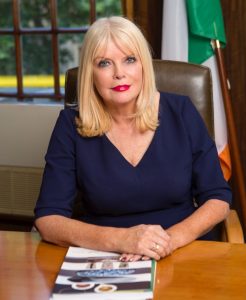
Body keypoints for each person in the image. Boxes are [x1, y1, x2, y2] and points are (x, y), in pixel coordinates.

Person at [34, 16, 232, 262]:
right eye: (104, 63)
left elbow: (218, 198)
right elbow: (48, 219)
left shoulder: (181, 111)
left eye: (129, 60)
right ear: (90, 73)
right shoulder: (69, 125)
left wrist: (164, 242)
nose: (119, 74)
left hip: (182, 251)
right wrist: (122, 240)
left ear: (143, 65)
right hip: (104, 256)